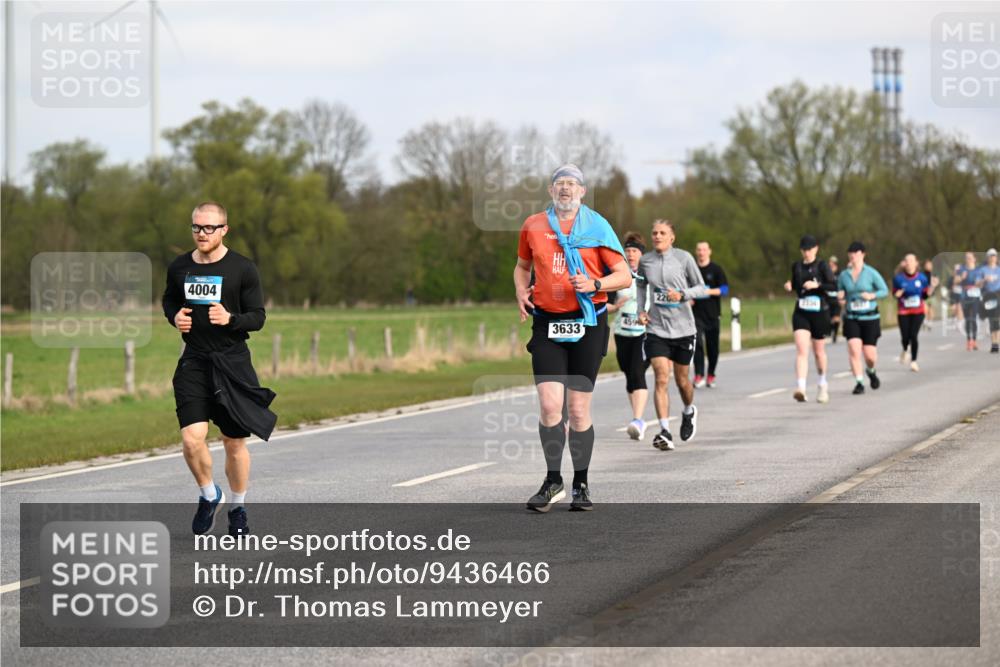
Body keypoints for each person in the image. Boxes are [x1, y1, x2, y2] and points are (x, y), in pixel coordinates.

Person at [514, 164, 631, 512]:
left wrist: (596, 284)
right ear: (551, 191)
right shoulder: (533, 225)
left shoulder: (597, 226)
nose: (565, 189)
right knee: (550, 406)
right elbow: (522, 266)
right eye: (559, 184)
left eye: (572, 184)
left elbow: (623, 276)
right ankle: (553, 481)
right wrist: (521, 291)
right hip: (547, 324)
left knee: (578, 411)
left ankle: (581, 482)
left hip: (587, 323)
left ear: (582, 191)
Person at [162, 201, 277, 536]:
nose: (202, 233)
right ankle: (209, 494)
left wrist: (231, 319)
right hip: (194, 360)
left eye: (209, 227)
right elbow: (169, 299)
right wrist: (174, 317)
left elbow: (258, 316)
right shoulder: (180, 267)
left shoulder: (242, 268)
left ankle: (238, 507)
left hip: (232, 362)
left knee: (233, 443)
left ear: (224, 229)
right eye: (196, 227)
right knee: (191, 439)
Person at [636, 220, 707, 451]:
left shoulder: (684, 258)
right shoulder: (646, 261)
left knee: (682, 381)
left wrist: (683, 294)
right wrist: (641, 310)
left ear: (672, 237)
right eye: (654, 232)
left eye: (662, 233)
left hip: (684, 329)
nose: (657, 236)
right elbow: (641, 286)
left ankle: (688, 411)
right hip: (657, 328)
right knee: (661, 376)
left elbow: (701, 287)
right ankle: (665, 431)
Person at [606, 231, 651, 440]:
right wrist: (615, 307)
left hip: (644, 333)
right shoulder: (618, 275)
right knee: (628, 373)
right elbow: (602, 304)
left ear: (641, 254)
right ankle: (637, 420)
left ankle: (638, 420)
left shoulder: (650, 274)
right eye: (628, 251)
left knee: (637, 371)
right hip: (622, 332)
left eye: (634, 251)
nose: (631, 255)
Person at [783, 235, 836, 403]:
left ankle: (822, 383)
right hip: (801, 311)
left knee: (819, 352)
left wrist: (817, 285)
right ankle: (801, 387)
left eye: (809, 249)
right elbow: (795, 283)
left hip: (820, 312)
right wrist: (789, 286)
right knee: (801, 350)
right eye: (804, 249)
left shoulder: (822, 266)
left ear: (816, 249)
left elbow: (833, 285)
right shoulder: (796, 266)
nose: (806, 252)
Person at [838, 241, 889, 395]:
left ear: (863, 254)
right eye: (850, 253)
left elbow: (884, 290)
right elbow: (840, 291)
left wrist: (872, 295)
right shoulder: (843, 275)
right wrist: (840, 296)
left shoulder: (871, 273)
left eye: (856, 253)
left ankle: (871, 370)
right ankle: (859, 382)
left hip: (870, 317)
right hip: (852, 317)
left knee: (870, 355)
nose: (852, 255)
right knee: (854, 349)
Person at [691, 241, 729, 388]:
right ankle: (699, 375)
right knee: (698, 344)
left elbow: (725, 290)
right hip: (695, 315)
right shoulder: (692, 269)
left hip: (712, 315)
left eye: (704, 250)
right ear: (696, 252)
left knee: (713, 348)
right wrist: (689, 299)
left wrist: (707, 291)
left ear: (709, 251)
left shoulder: (716, 269)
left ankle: (711, 373)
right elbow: (684, 288)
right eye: (699, 249)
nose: (701, 252)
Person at [893, 253, 938, 372]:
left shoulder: (922, 278)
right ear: (904, 263)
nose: (909, 263)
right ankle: (904, 349)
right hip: (903, 311)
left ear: (916, 263)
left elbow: (925, 295)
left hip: (918, 311)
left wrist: (932, 287)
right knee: (905, 337)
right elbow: (895, 293)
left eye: (911, 260)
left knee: (914, 335)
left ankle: (914, 361)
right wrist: (897, 295)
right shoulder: (899, 278)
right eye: (907, 261)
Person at [956, 252, 983, 351]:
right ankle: (968, 340)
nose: (968, 259)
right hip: (965, 296)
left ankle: (974, 341)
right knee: (968, 319)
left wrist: (980, 282)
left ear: (974, 259)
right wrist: (961, 278)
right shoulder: (961, 269)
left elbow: (980, 283)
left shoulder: (978, 270)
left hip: (975, 296)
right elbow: (955, 281)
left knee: (973, 318)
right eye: (967, 258)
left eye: (970, 258)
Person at [980, 248, 1000, 354]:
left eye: (994, 256)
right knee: (992, 318)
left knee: (997, 318)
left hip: (998, 293)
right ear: (987, 258)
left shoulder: (999, 269)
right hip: (988, 295)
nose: (992, 258)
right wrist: (984, 280)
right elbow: (978, 284)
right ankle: (994, 344)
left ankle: (997, 342)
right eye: (991, 256)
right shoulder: (983, 270)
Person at [827, 255, 843, 344]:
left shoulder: (840, 274)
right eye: (830, 262)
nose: (831, 264)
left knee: (836, 318)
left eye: (833, 263)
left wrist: (843, 297)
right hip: (827, 298)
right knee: (828, 317)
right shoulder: (826, 273)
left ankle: (835, 334)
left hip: (837, 298)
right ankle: (830, 330)